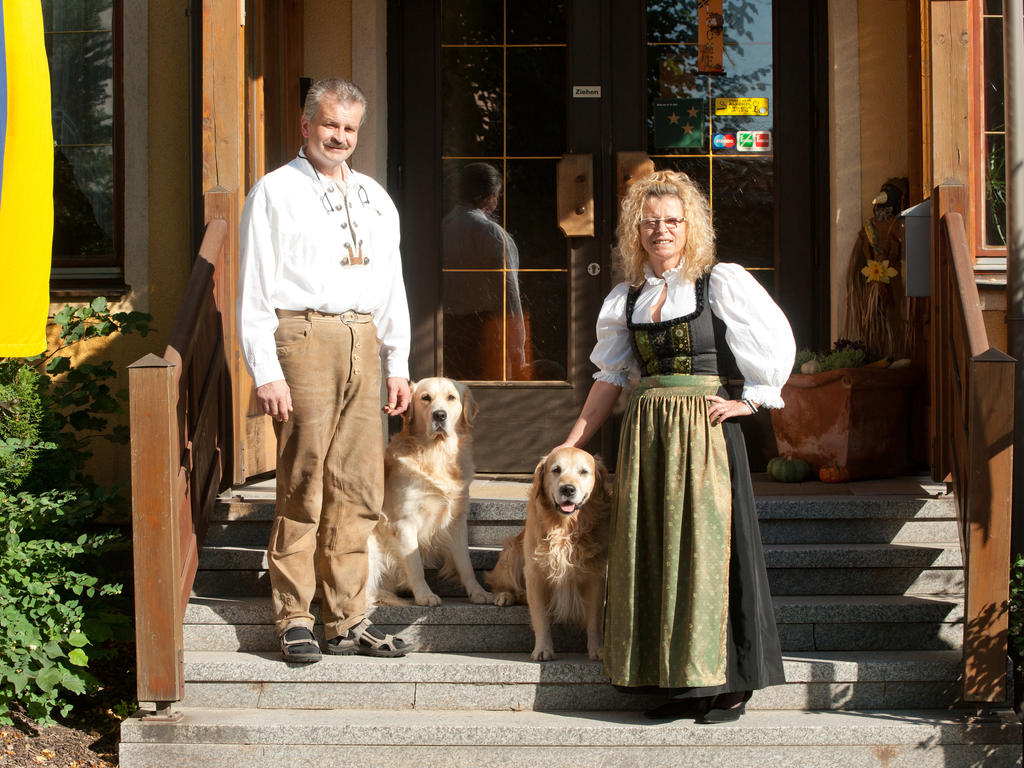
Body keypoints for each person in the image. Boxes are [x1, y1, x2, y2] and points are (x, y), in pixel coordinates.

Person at [558, 169, 795, 722]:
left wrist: (753, 401)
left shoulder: (719, 281)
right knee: (655, 552)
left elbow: (775, 340)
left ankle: (727, 685)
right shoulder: (629, 296)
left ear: (690, 226)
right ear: (635, 230)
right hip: (648, 435)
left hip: (706, 433)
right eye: (649, 221)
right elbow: (609, 378)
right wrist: (572, 442)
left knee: (710, 552)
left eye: (671, 220)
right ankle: (672, 682)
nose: (660, 230)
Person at [237, 78, 413, 663]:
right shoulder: (275, 191)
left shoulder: (374, 196)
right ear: (306, 125)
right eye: (330, 125)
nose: (340, 137)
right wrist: (265, 371)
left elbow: (392, 284)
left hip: (364, 335)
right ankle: (294, 616)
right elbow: (255, 290)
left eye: (350, 129)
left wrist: (399, 363)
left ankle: (347, 616)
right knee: (305, 478)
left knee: (359, 485)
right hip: (304, 334)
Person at [441, 162, 528, 379]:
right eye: (496, 195)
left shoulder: (441, 228)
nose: (497, 202)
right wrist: (518, 348)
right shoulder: (492, 234)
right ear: (490, 196)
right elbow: (509, 294)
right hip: (483, 330)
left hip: (444, 327)